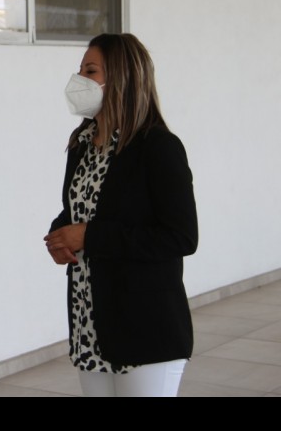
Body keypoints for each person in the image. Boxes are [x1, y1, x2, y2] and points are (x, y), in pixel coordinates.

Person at [44, 33, 198, 397]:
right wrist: (59, 234)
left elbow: (180, 237)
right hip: (90, 324)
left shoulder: (158, 147)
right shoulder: (82, 142)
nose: (79, 79)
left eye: (90, 70)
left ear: (122, 78)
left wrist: (89, 236)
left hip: (146, 328)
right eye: (80, 70)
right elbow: (79, 208)